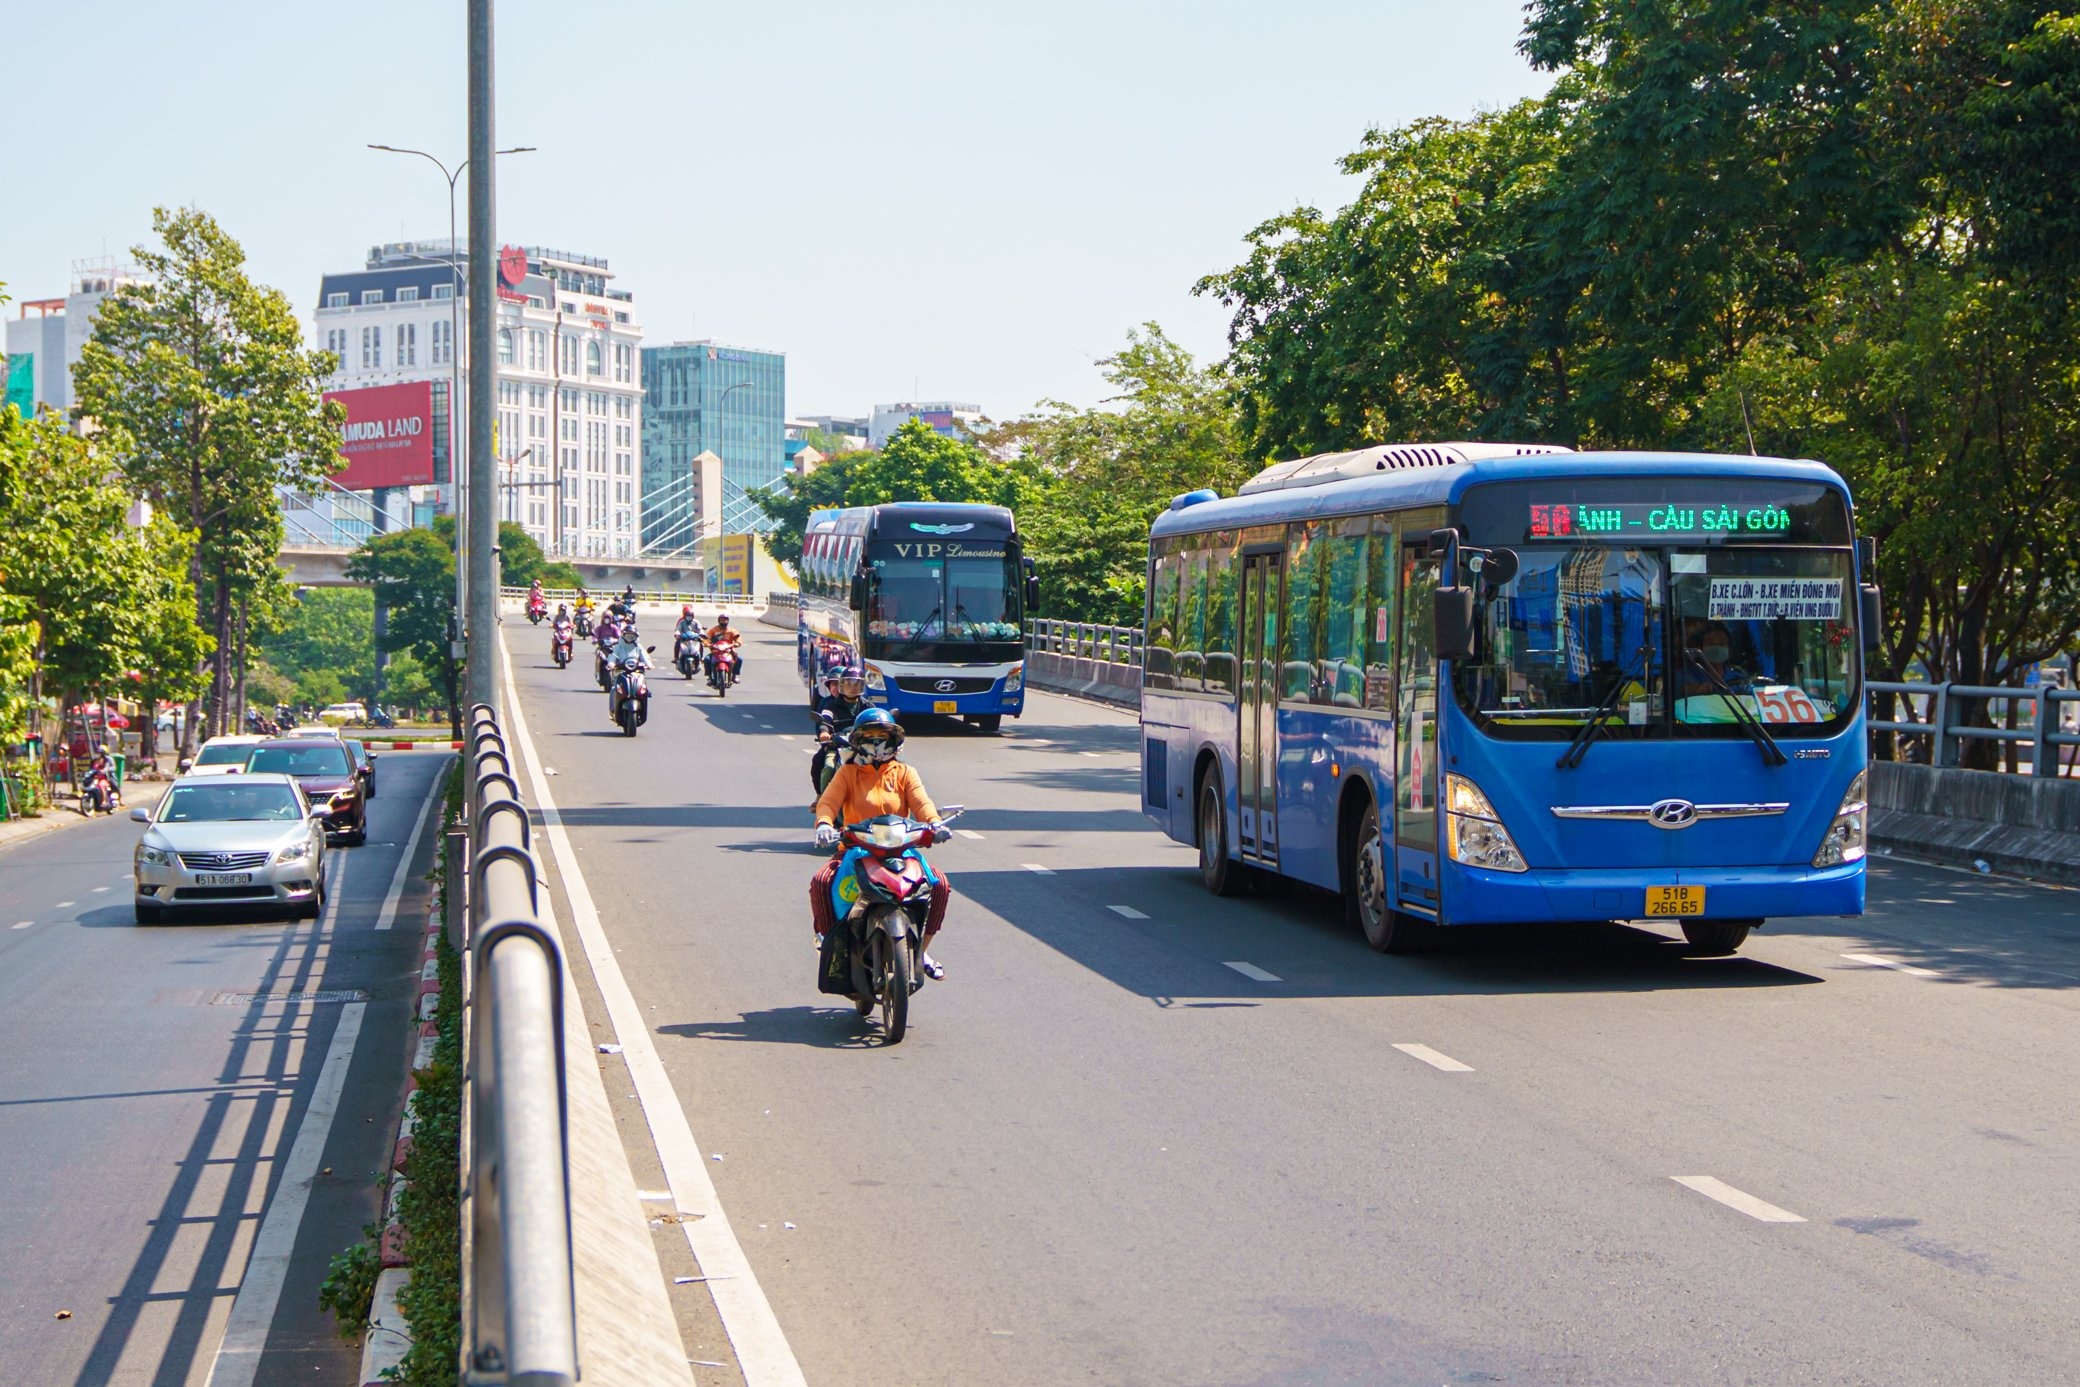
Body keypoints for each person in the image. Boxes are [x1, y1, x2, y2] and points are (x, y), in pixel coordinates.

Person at [810, 708, 949, 980]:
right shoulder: (847, 774)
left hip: (902, 848)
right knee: (821, 880)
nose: (877, 743)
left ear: (894, 741)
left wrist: (934, 823)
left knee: (939, 884)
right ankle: (831, 942)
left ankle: (921, 950)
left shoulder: (906, 773)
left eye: (882, 736)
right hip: (855, 848)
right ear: (858, 740)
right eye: (870, 737)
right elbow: (828, 802)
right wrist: (825, 824)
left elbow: (922, 803)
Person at [606, 623, 652, 721]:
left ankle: (642, 700)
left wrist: (648, 664)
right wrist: (611, 663)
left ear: (636, 636)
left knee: (643, 688)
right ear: (623, 635)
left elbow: (645, 656)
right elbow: (612, 656)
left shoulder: (638, 647)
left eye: (632, 635)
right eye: (628, 635)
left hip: (636, 672)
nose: (630, 637)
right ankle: (613, 709)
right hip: (620, 672)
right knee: (614, 689)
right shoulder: (618, 646)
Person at [812, 664, 867, 731]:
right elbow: (825, 721)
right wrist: (824, 732)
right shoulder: (829, 705)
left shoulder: (867, 705)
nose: (852, 688)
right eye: (848, 684)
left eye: (856, 684)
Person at [706, 613, 743, 681]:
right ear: (719, 621)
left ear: (728, 621)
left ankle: (734, 676)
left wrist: (737, 643)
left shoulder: (732, 630)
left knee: (739, 659)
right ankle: (710, 677)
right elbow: (707, 638)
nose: (724, 622)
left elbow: (738, 637)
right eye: (722, 620)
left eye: (725, 620)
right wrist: (707, 643)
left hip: (728, 651)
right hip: (716, 651)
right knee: (707, 659)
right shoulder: (713, 630)